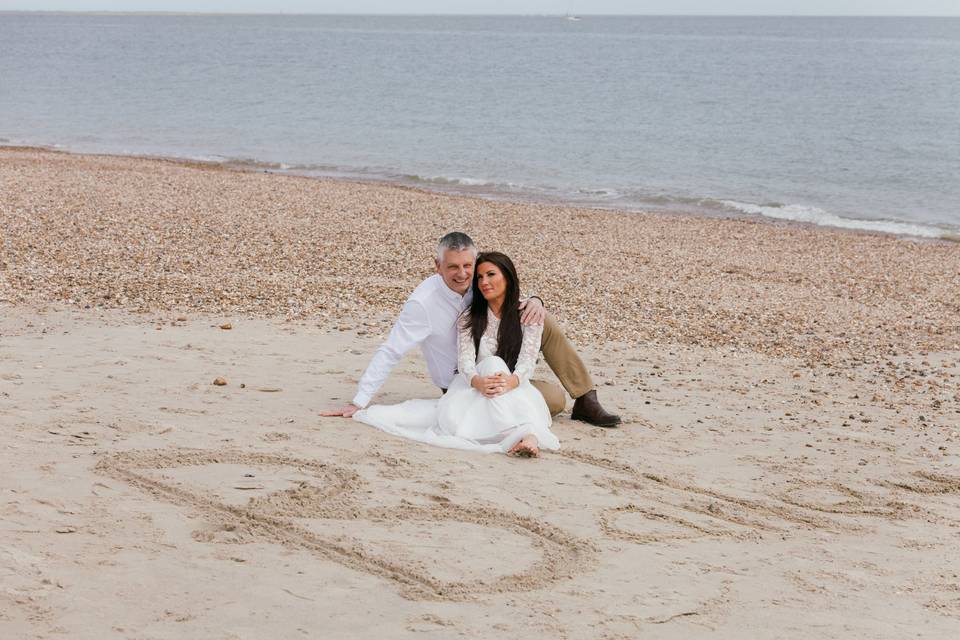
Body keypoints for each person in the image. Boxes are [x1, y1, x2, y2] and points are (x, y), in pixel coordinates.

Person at [321, 232, 620, 427]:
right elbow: (391, 351)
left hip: (502, 362)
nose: (463, 274)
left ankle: (586, 398)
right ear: (437, 266)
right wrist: (358, 401)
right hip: (462, 380)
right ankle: (493, 411)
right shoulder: (422, 305)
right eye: (453, 267)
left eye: (468, 266)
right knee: (553, 400)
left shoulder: (477, 283)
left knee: (543, 319)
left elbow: (505, 290)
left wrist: (535, 301)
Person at [353, 252, 559, 456]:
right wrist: (478, 381)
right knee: (492, 363)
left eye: (491, 275)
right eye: (479, 277)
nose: (484, 282)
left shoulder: (528, 313)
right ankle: (527, 435)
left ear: (507, 276)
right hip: (475, 384)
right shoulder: (470, 316)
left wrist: (512, 381)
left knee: (504, 375)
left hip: (513, 384)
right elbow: (466, 360)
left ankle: (520, 433)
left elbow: (527, 361)